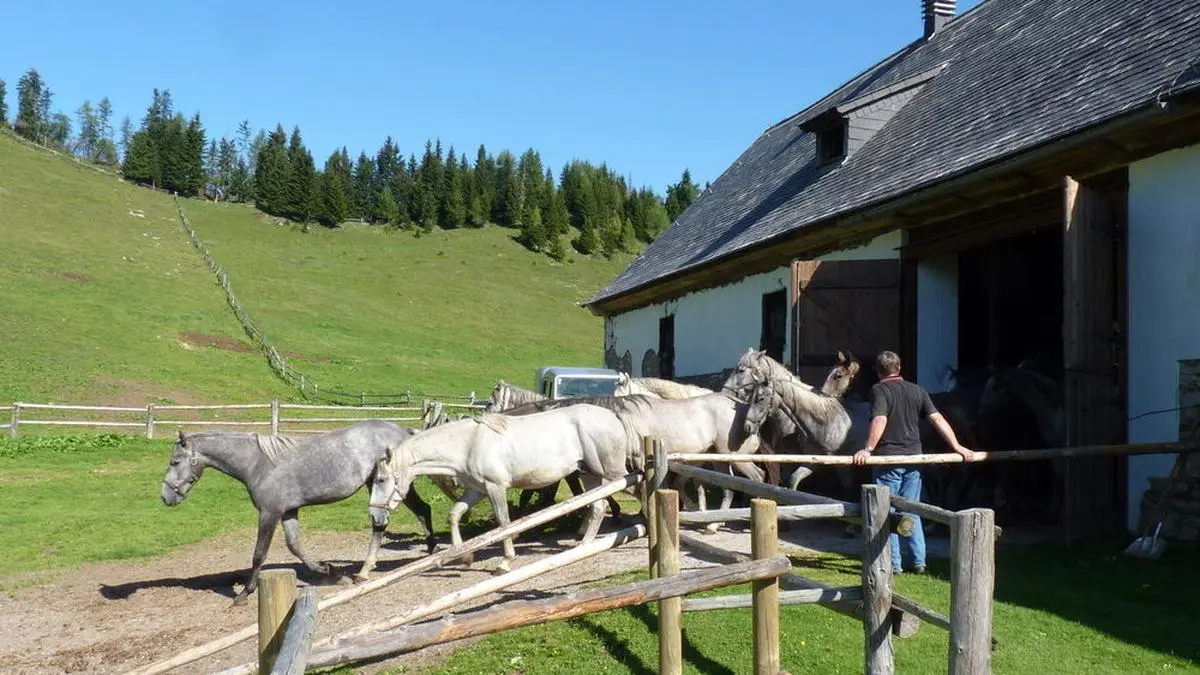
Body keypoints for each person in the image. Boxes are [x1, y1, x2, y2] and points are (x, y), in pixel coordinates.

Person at [852, 350, 976, 574]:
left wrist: (868, 449)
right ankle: (919, 561)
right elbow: (938, 418)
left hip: (889, 459)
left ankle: (894, 563)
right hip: (914, 458)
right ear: (899, 368)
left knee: (886, 511)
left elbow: (880, 419)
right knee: (912, 508)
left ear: (878, 372)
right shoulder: (918, 390)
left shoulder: (879, 390)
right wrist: (957, 446)